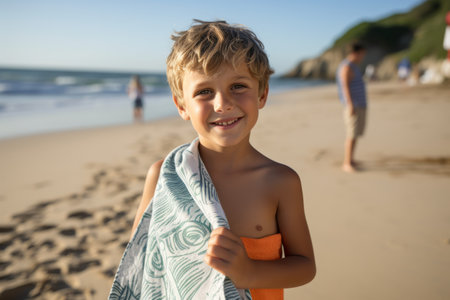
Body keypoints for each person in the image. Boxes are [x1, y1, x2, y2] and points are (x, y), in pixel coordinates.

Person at [109, 20, 315, 299]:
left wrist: (249, 273)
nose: (222, 103)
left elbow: (304, 267)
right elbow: (141, 260)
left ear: (262, 94)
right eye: (204, 91)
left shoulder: (279, 181)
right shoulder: (163, 176)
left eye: (238, 86)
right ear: (182, 106)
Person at [336, 43, 368, 173]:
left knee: (355, 135)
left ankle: (351, 159)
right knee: (351, 134)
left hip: (359, 105)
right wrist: (350, 105)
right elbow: (345, 87)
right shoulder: (347, 67)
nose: (363, 57)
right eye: (362, 54)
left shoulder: (354, 66)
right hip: (353, 105)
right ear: (356, 53)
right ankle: (347, 163)